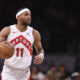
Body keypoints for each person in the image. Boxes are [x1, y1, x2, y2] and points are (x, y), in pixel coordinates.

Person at [0, 8, 44, 80]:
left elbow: (40, 49)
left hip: (24, 73)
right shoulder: (8, 30)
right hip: (9, 71)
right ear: (18, 17)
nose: (29, 16)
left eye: (30, 15)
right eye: (26, 14)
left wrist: (41, 55)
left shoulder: (34, 33)